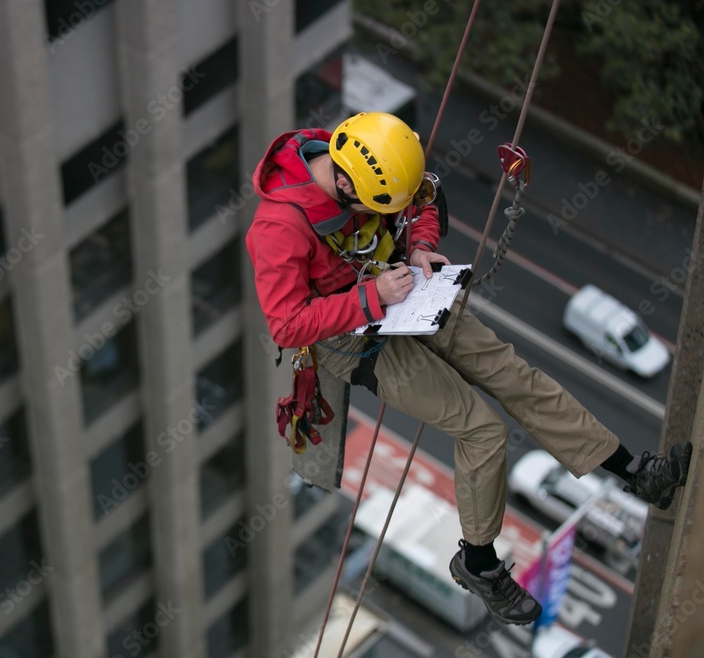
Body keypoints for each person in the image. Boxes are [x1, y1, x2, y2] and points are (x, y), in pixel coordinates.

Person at [245, 112, 693, 625]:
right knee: (480, 429)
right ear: (343, 183)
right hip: (357, 339)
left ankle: (636, 474)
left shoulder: (374, 160)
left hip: (404, 288)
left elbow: (421, 200)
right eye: (371, 206)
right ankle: (478, 564)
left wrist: (419, 247)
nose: (377, 212)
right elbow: (287, 323)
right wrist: (371, 297)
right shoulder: (279, 228)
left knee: (513, 375)